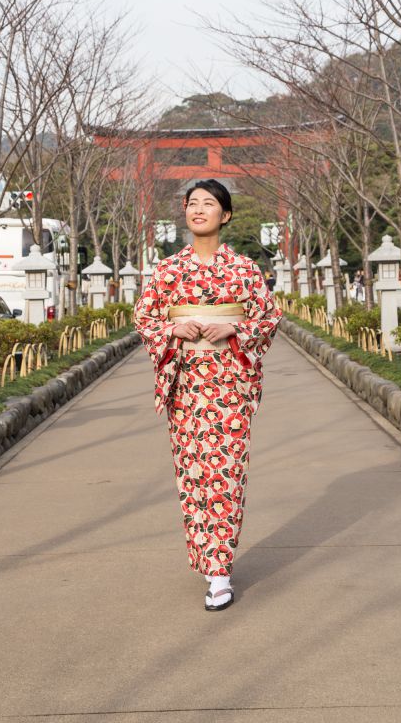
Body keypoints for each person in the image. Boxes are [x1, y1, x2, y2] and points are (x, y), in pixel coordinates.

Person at [134, 179, 281, 612]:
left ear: (226, 214)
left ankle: (220, 572)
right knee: (193, 472)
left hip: (229, 382)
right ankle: (207, 558)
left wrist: (236, 327)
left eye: (209, 203)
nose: (199, 210)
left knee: (227, 471)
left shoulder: (244, 269)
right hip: (185, 384)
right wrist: (171, 329)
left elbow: (269, 315)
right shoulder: (166, 270)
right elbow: (145, 316)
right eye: (192, 203)